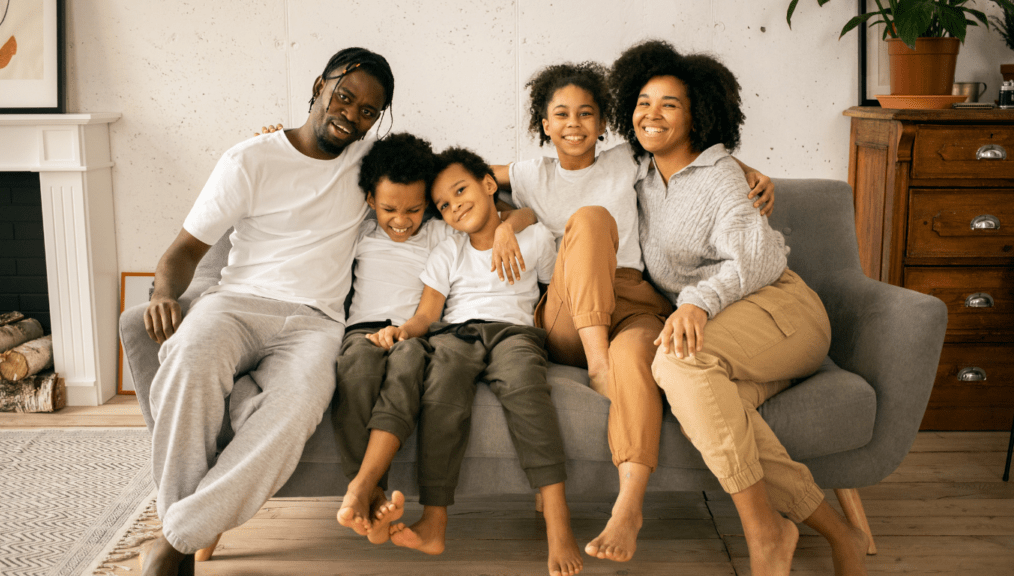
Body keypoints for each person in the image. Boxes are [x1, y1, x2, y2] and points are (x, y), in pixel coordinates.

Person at [488, 61, 775, 562]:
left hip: (635, 302)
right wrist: (503, 223)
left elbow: (692, 160)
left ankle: (630, 506)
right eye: (561, 115)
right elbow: (458, 178)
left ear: (604, 124)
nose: (574, 124)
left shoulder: (628, 160)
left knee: (645, 351)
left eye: (587, 114)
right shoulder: (530, 174)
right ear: (544, 125)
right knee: (592, 220)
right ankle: (599, 366)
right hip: (569, 312)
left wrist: (747, 171)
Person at [608, 39, 870, 576]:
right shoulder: (636, 174)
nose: (651, 114)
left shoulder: (723, 178)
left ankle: (763, 531)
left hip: (780, 309)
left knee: (678, 361)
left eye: (669, 104)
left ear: (698, 113)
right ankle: (837, 531)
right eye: (643, 102)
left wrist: (698, 304)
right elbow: (558, 163)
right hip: (733, 330)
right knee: (704, 403)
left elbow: (758, 257)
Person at [139, 47, 394, 576]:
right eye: (344, 96)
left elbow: (452, 179)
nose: (351, 114)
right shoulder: (249, 158)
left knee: (298, 407)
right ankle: (182, 539)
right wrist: (164, 292)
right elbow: (185, 250)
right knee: (187, 361)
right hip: (236, 305)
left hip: (316, 323)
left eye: (369, 110)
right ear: (319, 85)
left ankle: (174, 541)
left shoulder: (371, 166)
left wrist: (510, 212)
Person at [368, 147, 582, 576]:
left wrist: (514, 222)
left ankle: (558, 522)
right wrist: (401, 332)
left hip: (515, 333)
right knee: (441, 396)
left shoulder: (534, 238)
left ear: (489, 185)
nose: (454, 206)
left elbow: (554, 297)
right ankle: (434, 520)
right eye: (443, 204)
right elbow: (428, 314)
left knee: (527, 392)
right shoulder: (448, 251)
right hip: (457, 334)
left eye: (460, 190)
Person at [332, 132, 537, 544]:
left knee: (408, 366)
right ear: (370, 200)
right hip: (362, 330)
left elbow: (522, 211)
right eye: (389, 208)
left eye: (415, 208)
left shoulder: (441, 234)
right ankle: (371, 497)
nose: (402, 219)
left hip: (415, 332)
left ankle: (366, 497)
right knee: (356, 371)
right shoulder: (359, 232)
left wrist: (508, 229)